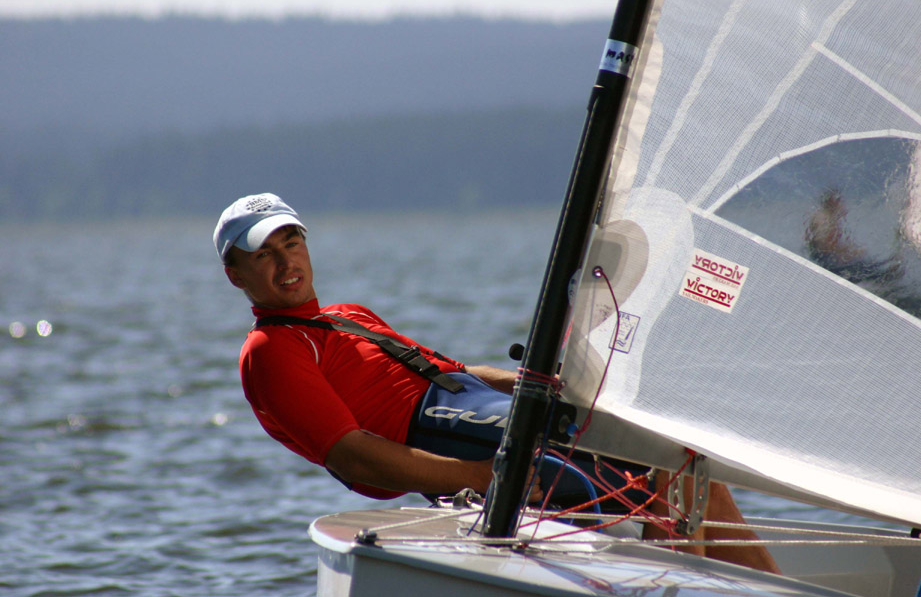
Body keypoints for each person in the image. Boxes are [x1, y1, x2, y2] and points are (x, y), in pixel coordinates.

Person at [215, 192, 780, 574]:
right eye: (263, 254)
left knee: (681, 455)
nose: (284, 262)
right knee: (660, 480)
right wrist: (481, 475)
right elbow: (354, 457)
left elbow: (452, 372)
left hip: (474, 404)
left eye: (291, 243)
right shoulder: (271, 350)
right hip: (444, 434)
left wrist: (543, 385)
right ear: (235, 274)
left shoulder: (346, 315)